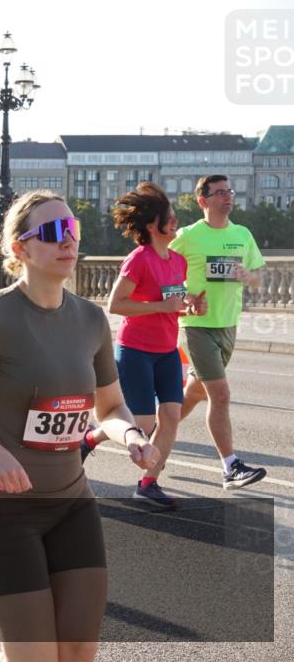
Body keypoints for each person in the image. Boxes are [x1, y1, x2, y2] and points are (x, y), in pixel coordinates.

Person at [0, 190, 159, 662]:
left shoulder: (90, 320)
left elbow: (109, 409)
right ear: (20, 249)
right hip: (4, 513)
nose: (67, 241)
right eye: (52, 232)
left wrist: (130, 435)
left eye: (73, 230)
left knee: (76, 655)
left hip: (72, 505)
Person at [81, 183, 207, 507]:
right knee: (142, 426)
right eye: (171, 218)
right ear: (153, 226)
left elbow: (170, 301)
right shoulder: (139, 260)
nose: (176, 222)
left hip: (167, 351)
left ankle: (148, 484)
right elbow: (116, 304)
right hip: (135, 351)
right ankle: (91, 438)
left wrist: (190, 305)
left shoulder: (178, 261)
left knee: (171, 417)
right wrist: (161, 307)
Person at [170, 174, 268, 490]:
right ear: (203, 201)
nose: (227, 196)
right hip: (196, 326)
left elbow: (259, 278)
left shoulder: (242, 234)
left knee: (196, 392)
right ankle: (230, 467)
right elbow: (163, 270)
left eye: (229, 191)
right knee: (220, 394)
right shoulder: (187, 236)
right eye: (219, 192)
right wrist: (184, 298)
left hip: (228, 325)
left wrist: (247, 275)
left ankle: (154, 435)